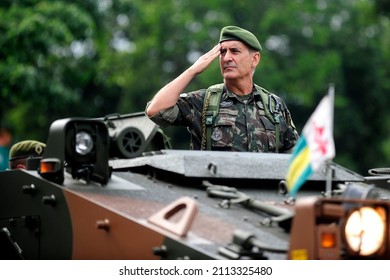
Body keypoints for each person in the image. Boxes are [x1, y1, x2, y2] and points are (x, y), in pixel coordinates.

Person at [145, 25, 298, 153]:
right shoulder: (204, 102)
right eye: (223, 52)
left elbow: (294, 156)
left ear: (255, 59)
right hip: (214, 188)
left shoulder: (274, 106)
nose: (226, 58)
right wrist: (193, 70)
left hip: (262, 189)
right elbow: (155, 111)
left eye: (235, 51)